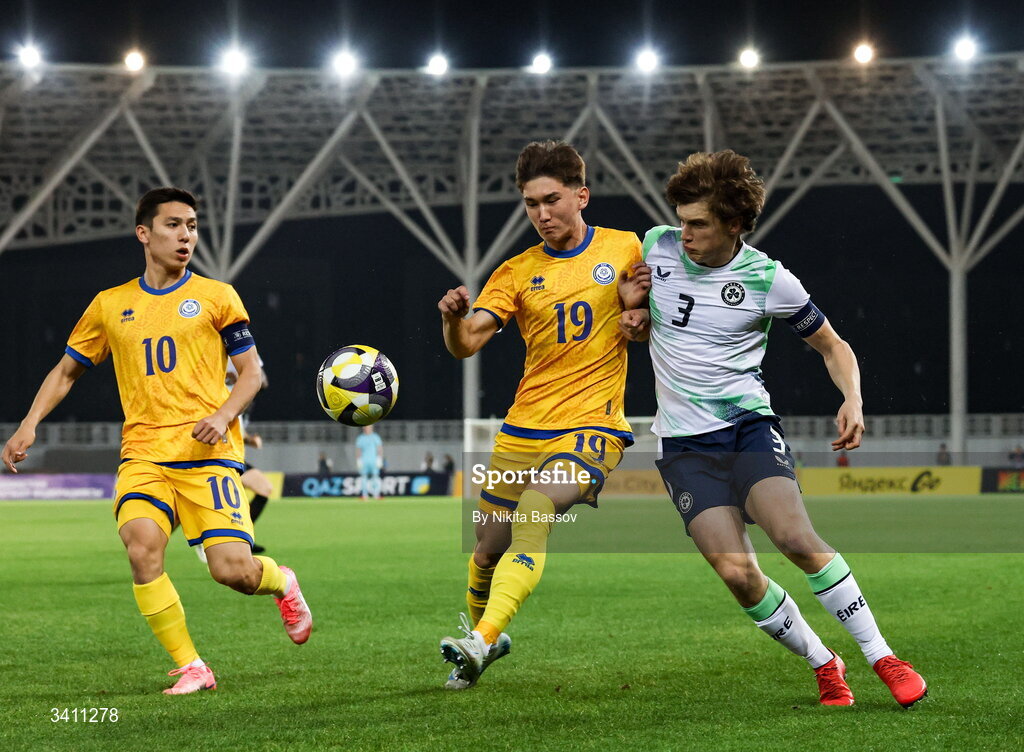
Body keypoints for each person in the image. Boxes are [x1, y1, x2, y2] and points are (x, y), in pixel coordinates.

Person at [619, 151, 926, 708]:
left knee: (795, 540)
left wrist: (852, 397)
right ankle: (824, 663)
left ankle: (883, 657)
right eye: (680, 220)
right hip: (684, 446)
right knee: (738, 574)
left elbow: (832, 344)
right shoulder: (653, 246)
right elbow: (636, 322)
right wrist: (634, 317)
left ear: (734, 224)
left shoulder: (767, 278)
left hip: (746, 429)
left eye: (698, 224)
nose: (682, 233)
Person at [0, 187, 312, 695]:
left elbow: (252, 373)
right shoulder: (109, 305)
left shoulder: (217, 296)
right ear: (144, 233)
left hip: (207, 455)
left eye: (191, 224)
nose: (186, 235)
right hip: (143, 453)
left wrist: (225, 413)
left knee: (231, 572)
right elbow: (65, 372)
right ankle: (192, 666)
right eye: (173, 225)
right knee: (142, 548)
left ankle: (283, 583)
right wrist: (28, 424)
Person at [436, 140, 650, 689]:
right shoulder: (514, 271)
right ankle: (483, 634)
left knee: (534, 510)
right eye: (531, 204)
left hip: (593, 426)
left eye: (551, 200)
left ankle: (480, 642)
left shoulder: (626, 248)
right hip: (523, 426)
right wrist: (451, 320)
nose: (541, 214)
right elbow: (466, 345)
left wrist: (635, 315)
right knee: (485, 549)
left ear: (581, 195)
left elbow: (649, 321)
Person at [225, 357, 274, 554]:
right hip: (223, 454)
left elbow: (233, 426)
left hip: (233, 452)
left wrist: (249, 439)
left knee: (264, 488)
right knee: (263, 487)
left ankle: (243, 541)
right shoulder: (229, 393)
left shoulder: (240, 398)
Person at [355, 425, 383, 500]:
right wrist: (358, 460)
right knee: (364, 477)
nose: (368, 429)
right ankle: (364, 495)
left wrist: (379, 459)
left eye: (369, 427)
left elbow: (379, 448)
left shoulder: (375, 437)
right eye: (366, 427)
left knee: (375, 477)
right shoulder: (361, 438)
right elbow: (358, 450)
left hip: (373, 460)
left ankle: (376, 494)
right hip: (364, 461)